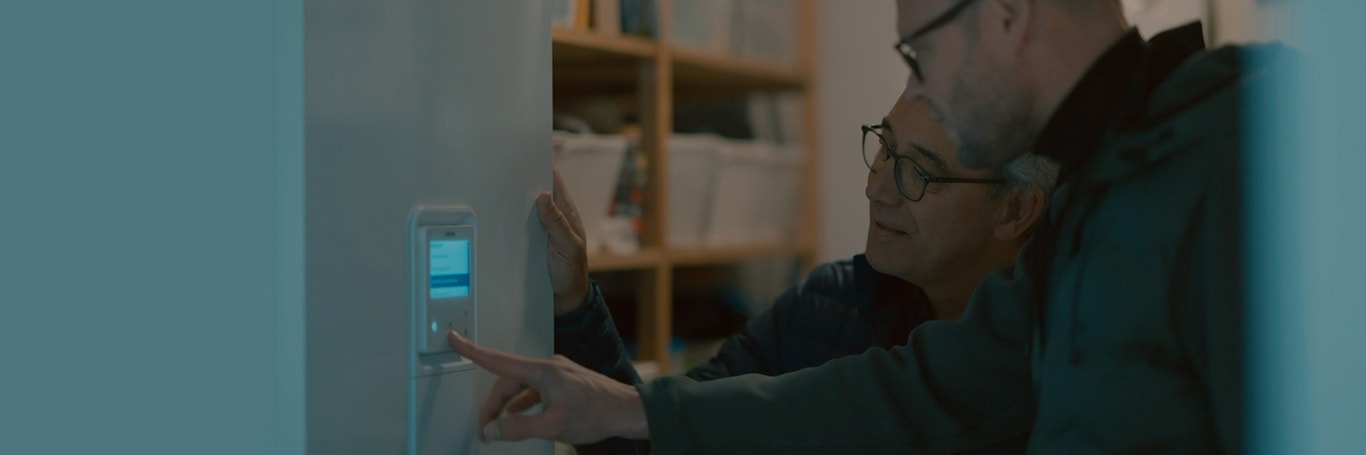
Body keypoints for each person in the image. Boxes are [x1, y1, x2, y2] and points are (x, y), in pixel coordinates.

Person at [449, 0, 1279, 452]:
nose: (921, 94)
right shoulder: (1098, 198)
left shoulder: (1241, 159)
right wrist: (627, 407)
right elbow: (919, 390)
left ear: (1006, 15)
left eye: (920, 55)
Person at [546, 96, 1057, 454]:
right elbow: (651, 436)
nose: (877, 189)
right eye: (885, 147)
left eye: (919, 173)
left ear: (1015, 209)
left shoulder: (1066, 366)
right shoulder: (824, 308)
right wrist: (574, 302)